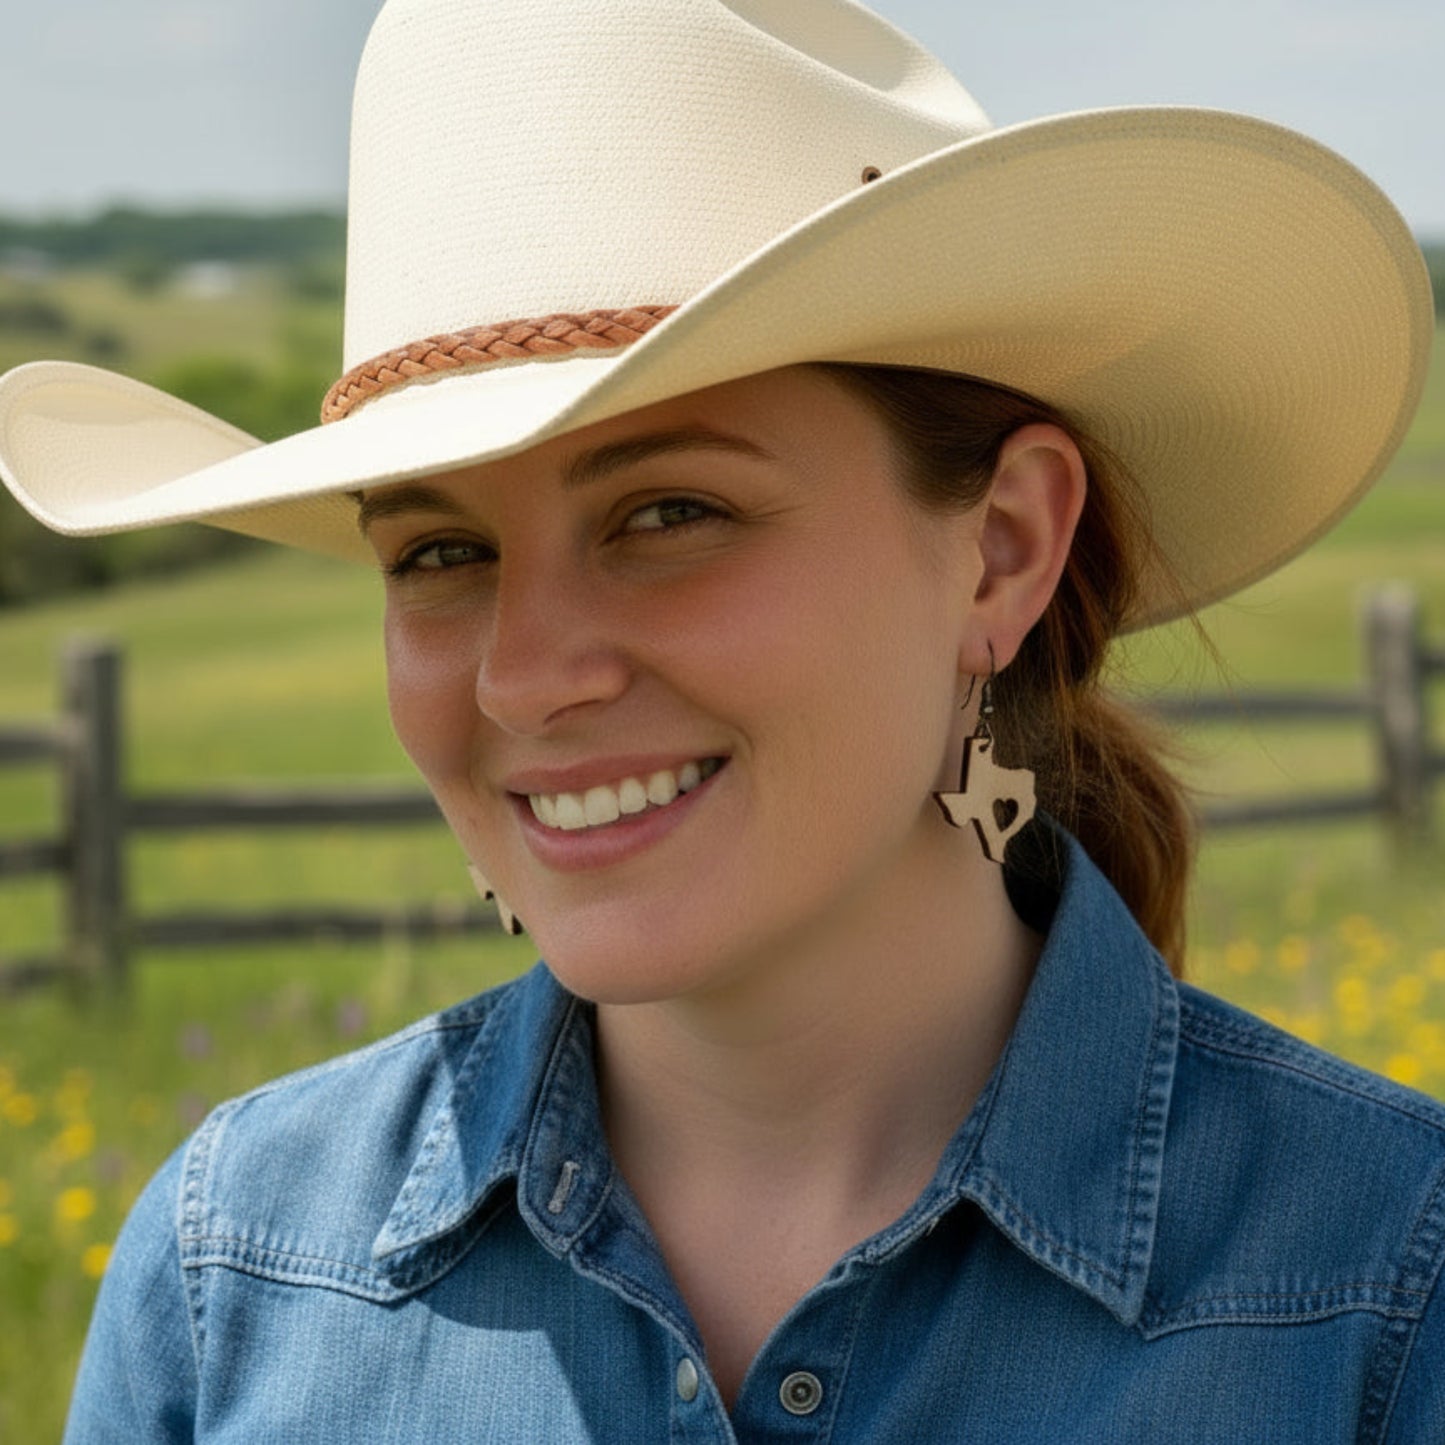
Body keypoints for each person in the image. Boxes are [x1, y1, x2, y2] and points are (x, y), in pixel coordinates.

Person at [1, 0, 1440, 1439]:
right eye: (438, 551)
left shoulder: (1383, 1295)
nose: (523, 677)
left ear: (1001, 549)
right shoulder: (232, 1279)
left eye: (670, 512)